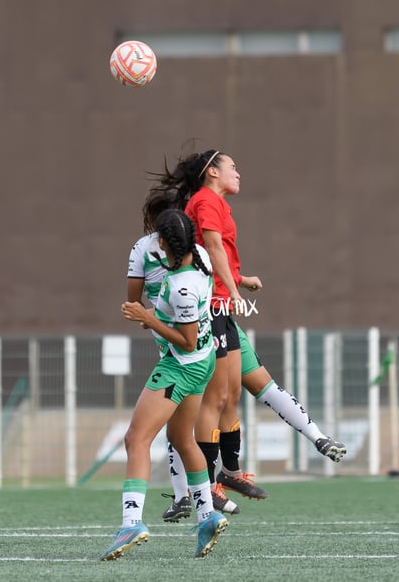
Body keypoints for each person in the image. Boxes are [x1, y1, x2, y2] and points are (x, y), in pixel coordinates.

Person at [142, 149, 346, 521]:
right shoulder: (206, 201)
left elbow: (212, 253)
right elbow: (212, 245)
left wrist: (239, 280)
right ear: (212, 172)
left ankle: (229, 475)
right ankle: (204, 487)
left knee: (232, 393)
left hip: (220, 302)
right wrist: (231, 291)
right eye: (233, 167)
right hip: (210, 308)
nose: (239, 173)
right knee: (214, 399)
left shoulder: (213, 201)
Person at [99, 209, 228, 561]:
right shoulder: (200, 259)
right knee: (183, 439)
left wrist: (148, 318)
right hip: (204, 361)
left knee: (136, 439)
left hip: (181, 366)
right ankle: (206, 517)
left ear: (164, 244)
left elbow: (184, 340)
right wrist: (158, 317)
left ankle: (131, 522)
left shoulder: (181, 285)